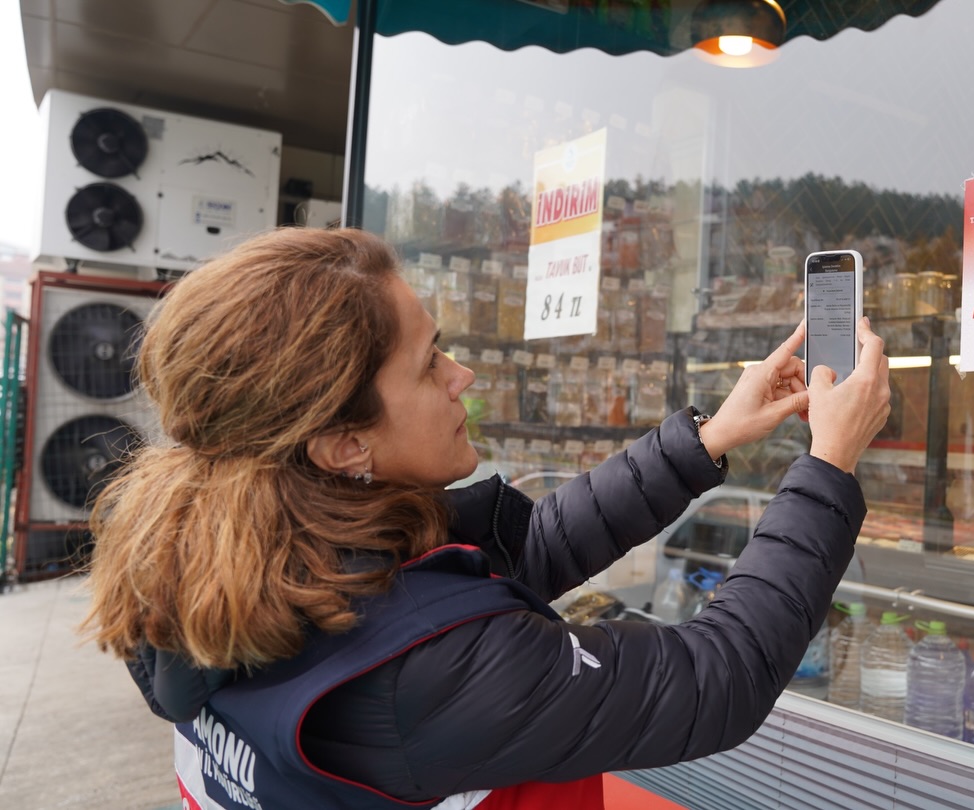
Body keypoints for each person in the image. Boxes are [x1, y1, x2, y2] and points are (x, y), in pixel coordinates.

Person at [81, 227, 891, 810]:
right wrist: (829, 467)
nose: (461, 374)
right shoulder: (419, 678)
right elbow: (720, 679)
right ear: (340, 443)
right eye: (430, 361)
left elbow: (523, 548)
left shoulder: (237, 557)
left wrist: (708, 438)